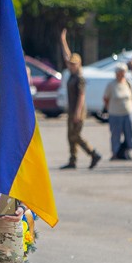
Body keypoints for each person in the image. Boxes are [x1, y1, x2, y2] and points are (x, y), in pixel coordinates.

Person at [59, 30, 101, 169]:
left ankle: (93, 153)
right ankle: (73, 160)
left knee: (75, 135)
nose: (71, 65)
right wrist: (63, 40)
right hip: (72, 110)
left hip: (78, 110)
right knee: (70, 135)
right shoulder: (72, 73)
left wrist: (77, 113)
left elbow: (82, 96)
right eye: (70, 64)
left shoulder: (80, 78)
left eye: (74, 64)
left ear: (79, 64)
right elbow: (67, 55)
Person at [102, 65, 132, 161]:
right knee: (115, 134)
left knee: (129, 133)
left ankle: (127, 151)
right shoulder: (111, 85)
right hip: (115, 112)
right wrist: (109, 108)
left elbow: (131, 96)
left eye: (123, 72)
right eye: (120, 72)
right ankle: (115, 153)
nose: (121, 74)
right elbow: (105, 98)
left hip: (128, 111)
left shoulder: (128, 83)